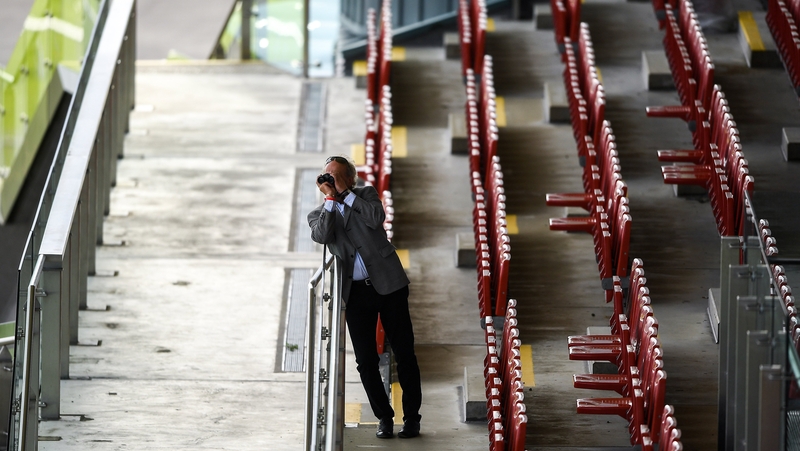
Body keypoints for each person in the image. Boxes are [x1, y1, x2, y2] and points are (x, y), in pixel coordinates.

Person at [307, 155, 422, 439]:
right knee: (366, 361)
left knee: (404, 353)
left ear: (349, 178)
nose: (330, 180)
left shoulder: (365, 196)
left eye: (336, 175)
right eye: (326, 176)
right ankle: (384, 417)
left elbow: (376, 219)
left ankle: (412, 419)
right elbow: (321, 236)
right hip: (356, 294)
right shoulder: (320, 212)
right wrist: (332, 201)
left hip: (389, 285)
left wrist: (345, 194)